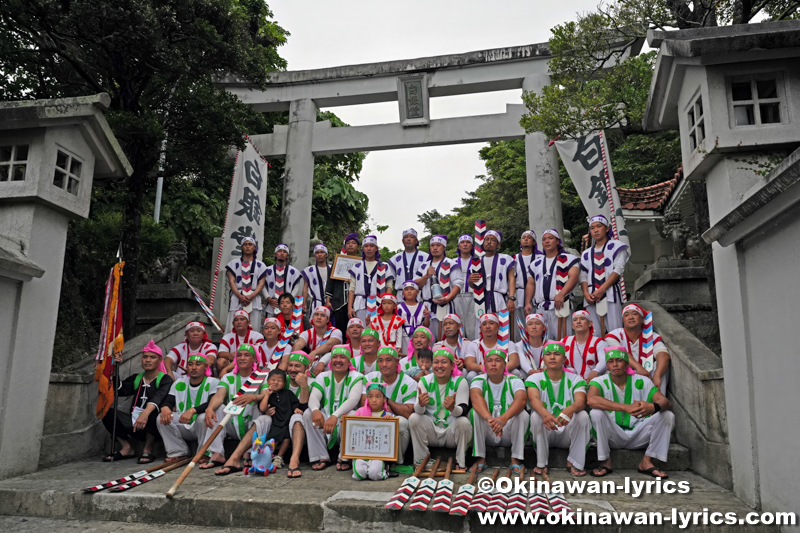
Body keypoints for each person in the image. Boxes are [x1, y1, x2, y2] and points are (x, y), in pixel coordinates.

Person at [216, 351, 310, 478]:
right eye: (290, 365)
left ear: (306, 367)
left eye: (297, 366)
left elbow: (305, 407)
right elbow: (266, 393)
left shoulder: (313, 381)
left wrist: (304, 386)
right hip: (277, 419)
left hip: (300, 424)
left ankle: (294, 460)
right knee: (262, 419)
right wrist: (260, 402)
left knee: (297, 417)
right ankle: (234, 459)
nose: (293, 369)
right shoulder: (282, 378)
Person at [588, 346, 675, 479]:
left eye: (619, 360)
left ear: (627, 363)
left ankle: (647, 461)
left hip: (638, 433)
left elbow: (666, 402)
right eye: (610, 361)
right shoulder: (599, 381)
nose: (615, 364)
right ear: (607, 365)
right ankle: (605, 461)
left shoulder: (642, 381)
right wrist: (624, 407)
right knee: (595, 413)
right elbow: (591, 400)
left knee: (668, 415)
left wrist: (653, 407)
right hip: (612, 435)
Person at [527, 341, 591, 477]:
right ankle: (542, 463)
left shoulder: (575, 379)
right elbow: (533, 399)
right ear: (543, 358)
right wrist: (545, 414)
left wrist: (571, 409)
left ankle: (574, 462)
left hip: (567, 429)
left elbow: (581, 401)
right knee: (535, 415)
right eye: (548, 354)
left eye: (557, 354)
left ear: (564, 359)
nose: (552, 357)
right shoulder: (534, 378)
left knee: (583, 415)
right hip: (546, 428)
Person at [102, 341, 174, 463]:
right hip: (135, 422)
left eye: (152, 357)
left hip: (154, 426)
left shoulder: (165, 379)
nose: (148, 360)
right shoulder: (137, 378)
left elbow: (159, 398)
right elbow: (118, 389)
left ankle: (148, 448)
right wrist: (115, 367)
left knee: (154, 413)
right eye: (145, 357)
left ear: (160, 360)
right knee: (105, 412)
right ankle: (126, 447)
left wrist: (144, 414)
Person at [303, 345, 366, 471]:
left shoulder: (356, 376)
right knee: (308, 413)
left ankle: (344, 457)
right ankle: (321, 456)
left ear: (349, 362)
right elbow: (314, 396)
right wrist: (315, 410)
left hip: (342, 419)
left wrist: (335, 416)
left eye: (342, 357)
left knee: (352, 415)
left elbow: (353, 399)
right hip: (326, 420)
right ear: (330, 361)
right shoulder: (323, 376)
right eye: (335, 357)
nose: (338, 360)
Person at [201, 344, 263, 469]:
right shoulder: (228, 377)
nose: (242, 358)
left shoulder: (262, 376)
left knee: (260, 409)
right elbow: (219, 396)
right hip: (232, 422)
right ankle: (217, 453)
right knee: (216, 409)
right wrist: (209, 408)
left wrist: (254, 397)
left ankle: (249, 450)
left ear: (254, 359)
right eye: (239, 355)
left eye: (247, 355)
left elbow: (265, 394)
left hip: (250, 421)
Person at [409, 348, 472, 470]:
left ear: (452, 365)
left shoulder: (460, 381)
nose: (439, 366)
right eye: (436, 362)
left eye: (444, 362)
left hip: (451, 432)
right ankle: (421, 460)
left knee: (464, 422)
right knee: (414, 418)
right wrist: (420, 404)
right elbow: (418, 411)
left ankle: (460, 462)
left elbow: (464, 409)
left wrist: (453, 408)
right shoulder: (425, 381)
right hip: (431, 431)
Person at [470, 348, 527, 474]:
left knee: (522, 415)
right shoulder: (478, 380)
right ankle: (481, 458)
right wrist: (491, 420)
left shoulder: (514, 380)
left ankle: (515, 459)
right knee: (475, 412)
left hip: (507, 430)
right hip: (488, 428)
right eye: (489, 361)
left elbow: (521, 400)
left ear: (505, 365)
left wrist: (503, 419)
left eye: (498, 361)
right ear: (484, 365)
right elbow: (476, 398)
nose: (493, 364)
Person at [158, 352, 220, 463]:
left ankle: (204, 452)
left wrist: (192, 410)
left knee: (203, 417)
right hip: (183, 421)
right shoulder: (179, 382)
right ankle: (178, 452)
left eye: (198, 364)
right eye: (190, 364)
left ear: (206, 367)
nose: (194, 367)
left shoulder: (213, 382)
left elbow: (212, 402)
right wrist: (165, 407)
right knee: (161, 418)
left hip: (202, 425)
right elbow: (169, 401)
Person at [363, 346, 418, 464]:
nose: (384, 364)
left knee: (400, 422)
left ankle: (396, 461)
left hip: (393, 419)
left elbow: (408, 412)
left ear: (397, 362)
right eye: (381, 360)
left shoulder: (409, 382)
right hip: (373, 417)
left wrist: (386, 401)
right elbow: (363, 401)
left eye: (388, 360)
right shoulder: (370, 377)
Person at [524, 229, 581, 340]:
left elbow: (574, 276)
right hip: (541, 307)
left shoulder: (568, 259)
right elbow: (531, 284)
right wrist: (527, 302)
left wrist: (562, 293)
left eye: (550, 238)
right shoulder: (536, 263)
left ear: (558, 241)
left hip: (561, 304)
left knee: (563, 340)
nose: (547, 241)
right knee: (543, 341)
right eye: (544, 239)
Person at [604, 303, 671, 394]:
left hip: (647, 375)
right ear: (623, 320)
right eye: (626, 315)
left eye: (635, 314)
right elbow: (620, 353)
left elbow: (663, 355)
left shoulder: (651, 336)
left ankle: (658, 402)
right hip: (624, 374)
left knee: (658, 366)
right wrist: (638, 367)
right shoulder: (614, 335)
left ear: (643, 319)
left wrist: (657, 375)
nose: (630, 317)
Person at [580, 215, 630, 335]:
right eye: (592, 228)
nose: (595, 230)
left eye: (599, 226)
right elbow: (583, 274)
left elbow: (618, 269)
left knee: (615, 332)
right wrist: (586, 293)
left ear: (607, 228)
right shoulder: (586, 253)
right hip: (591, 295)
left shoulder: (617, 246)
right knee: (593, 334)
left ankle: (616, 353)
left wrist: (601, 289)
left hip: (610, 292)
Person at [414, 235, 463, 340]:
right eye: (432, 245)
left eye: (438, 245)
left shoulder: (451, 263)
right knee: (426, 340)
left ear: (444, 247)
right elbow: (415, 285)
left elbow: (458, 284)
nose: (435, 248)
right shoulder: (423, 265)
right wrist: (426, 276)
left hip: (446, 306)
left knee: (445, 340)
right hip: (427, 308)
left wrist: (448, 298)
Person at [257, 369, 305, 471]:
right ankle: (267, 457)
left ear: (284, 384)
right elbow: (262, 408)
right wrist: (267, 395)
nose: (276, 382)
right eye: (273, 380)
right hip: (275, 421)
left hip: (286, 421)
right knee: (273, 440)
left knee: (286, 440)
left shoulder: (288, 393)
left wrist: (296, 408)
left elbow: (295, 404)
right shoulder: (267, 395)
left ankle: (279, 457)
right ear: (268, 382)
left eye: (279, 381)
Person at [468, 230, 516, 333]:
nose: (489, 242)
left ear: (498, 244)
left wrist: (511, 298)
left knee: (502, 332)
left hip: (499, 299)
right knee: (482, 331)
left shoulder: (506, 259)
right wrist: (470, 280)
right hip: (481, 300)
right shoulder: (476, 261)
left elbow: (511, 279)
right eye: (487, 239)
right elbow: (473, 285)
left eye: (492, 240)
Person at [352, 383, 397, 481]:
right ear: (367, 398)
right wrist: (346, 424)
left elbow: (392, 435)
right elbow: (352, 430)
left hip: (378, 455)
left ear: (385, 399)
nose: (374, 400)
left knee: (374, 474)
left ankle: (386, 470)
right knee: (359, 474)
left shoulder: (388, 415)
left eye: (378, 396)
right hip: (361, 453)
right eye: (370, 396)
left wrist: (390, 420)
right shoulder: (359, 413)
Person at [348, 235, 396, 323]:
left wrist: (387, 303)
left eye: (371, 246)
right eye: (366, 246)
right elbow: (352, 288)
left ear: (376, 248)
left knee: (377, 332)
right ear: (363, 248)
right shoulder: (357, 267)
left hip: (379, 303)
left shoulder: (384, 266)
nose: (369, 249)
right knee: (362, 331)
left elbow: (389, 286)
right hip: (360, 304)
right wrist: (350, 307)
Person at [224, 236, 267, 332]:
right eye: (245, 244)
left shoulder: (261, 265)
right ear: (241, 247)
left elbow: (261, 283)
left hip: (254, 297)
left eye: (250, 244)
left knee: (254, 326)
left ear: (254, 248)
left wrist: (252, 296)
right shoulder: (233, 264)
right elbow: (232, 282)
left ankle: (253, 345)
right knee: (234, 324)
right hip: (237, 296)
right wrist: (240, 296)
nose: (247, 246)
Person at [463, 313, 520, 382]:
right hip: (482, 374)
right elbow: (469, 364)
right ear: (480, 328)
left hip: (503, 373)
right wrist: (482, 368)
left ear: (498, 327)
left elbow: (515, 361)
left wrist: (499, 369)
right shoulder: (473, 344)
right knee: (471, 375)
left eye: (491, 323)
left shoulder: (508, 343)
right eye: (484, 324)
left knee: (515, 372)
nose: (488, 326)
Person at [563, 310, 609, 382]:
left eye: (582, 319)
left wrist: (596, 371)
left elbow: (605, 359)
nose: (578, 322)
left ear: (590, 323)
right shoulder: (564, 341)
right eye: (575, 320)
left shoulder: (599, 342)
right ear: (572, 326)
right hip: (570, 382)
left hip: (592, 382)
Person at [326, 233, 360, 331]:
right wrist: (328, 300)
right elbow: (330, 282)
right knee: (339, 329)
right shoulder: (338, 262)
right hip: (339, 300)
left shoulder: (362, 263)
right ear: (345, 246)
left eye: (353, 243)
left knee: (355, 328)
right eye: (348, 243)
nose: (350, 245)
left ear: (357, 247)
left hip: (356, 302)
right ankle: (340, 346)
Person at [294, 306, 343, 370]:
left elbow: (329, 345)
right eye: (316, 314)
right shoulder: (307, 333)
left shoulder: (336, 332)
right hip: (314, 365)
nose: (319, 317)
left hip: (332, 366)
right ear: (312, 317)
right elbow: (298, 344)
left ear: (328, 320)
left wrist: (314, 353)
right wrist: (294, 357)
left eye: (322, 315)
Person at [218, 310, 264, 376]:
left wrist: (237, 355)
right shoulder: (227, 337)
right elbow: (221, 353)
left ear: (249, 322)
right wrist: (230, 355)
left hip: (250, 365)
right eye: (236, 320)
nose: (239, 322)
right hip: (232, 365)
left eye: (242, 319)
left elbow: (256, 354)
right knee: (220, 362)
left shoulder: (257, 336)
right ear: (233, 323)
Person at [263, 244, 303, 317]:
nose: (282, 253)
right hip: (272, 304)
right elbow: (263, 286)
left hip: (287, 306)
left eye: (284, 252)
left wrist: (288, 299)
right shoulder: (267, 270)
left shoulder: (294, 271)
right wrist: (268, 298)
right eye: (279, 251)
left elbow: (296, 287)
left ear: (287, 255)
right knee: (270, 326)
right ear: (275, 254)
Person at [513, 230, 539, 342]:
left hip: (536, 293)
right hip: (519, 293)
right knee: (519, 326)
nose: (526, 239)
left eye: (529, 237)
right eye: (524, 237)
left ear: (534, 242)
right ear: (520, 241)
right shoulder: (513, 258)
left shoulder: (540, 258)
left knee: (535, 323)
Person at [453, 235, 478, 340]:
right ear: (458, 246)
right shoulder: (452, 262)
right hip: (456, 297)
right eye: (462, 242)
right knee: (457, 326)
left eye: (468, 242)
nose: (465, 244)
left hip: (473, 296)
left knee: (472, 328)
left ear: (472, 246)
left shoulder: (477, 261)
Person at [302, 243, 332, 321]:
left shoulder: (333, 269)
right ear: (315, 255)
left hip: (331, 304)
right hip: (316, 302)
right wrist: (304, 303)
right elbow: (305, 287)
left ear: (326, 254)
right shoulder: (309, 270)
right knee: (314, 325)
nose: (319, 255)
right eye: (317, 252)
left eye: (322, 252)